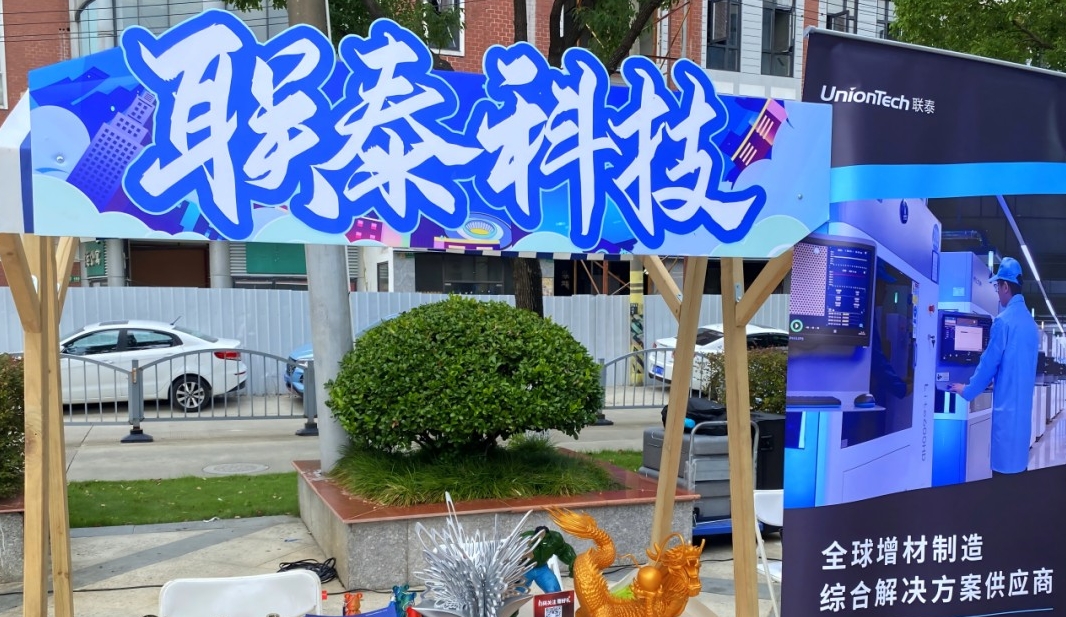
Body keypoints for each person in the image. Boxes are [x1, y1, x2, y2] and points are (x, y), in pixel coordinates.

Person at [949, 257, 1040, 476]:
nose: (997, 293)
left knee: (1003, 481)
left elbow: (988, 364)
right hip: (1022, 418)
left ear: (1005, 286)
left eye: (997, 287)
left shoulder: (1003, 321)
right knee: (1019, 476)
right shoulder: (1031, 325)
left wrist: (967, 390)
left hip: (1006, 417)